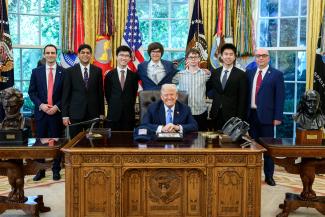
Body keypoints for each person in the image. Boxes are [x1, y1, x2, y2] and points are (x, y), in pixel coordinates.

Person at [247, 48, 285, 186]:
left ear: (268, 58)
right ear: (255, 58)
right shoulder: (249, 73)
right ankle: (252, 175)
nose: (260, 58)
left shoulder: (276, 74)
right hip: (250, 116)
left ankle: (269, 176)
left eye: (263, 56)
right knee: (251, 148)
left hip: (268, 118)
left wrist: (278, 117)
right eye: (258, 56)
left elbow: (280, 97)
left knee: (268, 149)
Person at [28, 44, 64, 181]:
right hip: (41, 113)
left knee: (56, 143)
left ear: (56, 55)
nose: (50, 55)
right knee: (40, 143)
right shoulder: (36, 72)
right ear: (44, 55)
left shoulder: (63, 72)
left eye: (53, 53)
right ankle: (41, 170)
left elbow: (65, 94)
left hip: (57, 113)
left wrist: (57, 106)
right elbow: (32, 92)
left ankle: (56, 170)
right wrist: (41, 105)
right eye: (47, 53)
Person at [62, 44, 104, 138]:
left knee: (93, 141)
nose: (85, 55)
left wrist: (101, 113)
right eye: (83, 52)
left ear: (91, 55)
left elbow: (100, 93)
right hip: (75, 114)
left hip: (93, 114)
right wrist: (65, 115)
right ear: (78, 55)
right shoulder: (69, 71)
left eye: (88, 53)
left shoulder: (97, 71)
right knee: (75, 142)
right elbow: (66, 94)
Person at [207, 43, 247, 130]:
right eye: (226, 54)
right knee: (215, 141)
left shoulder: (241, 75)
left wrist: (239, 119)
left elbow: (242, 99)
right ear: (221, 56)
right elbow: (207, 88)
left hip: (233, 117)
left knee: (230, 142)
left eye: (231, 54)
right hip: (216, 114)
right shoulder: (215, 73)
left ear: (235, 56)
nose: (228, 57)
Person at [173, 48, 210, 130]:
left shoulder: (206, 74)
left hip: (200, 111)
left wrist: (209, 72)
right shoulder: (179, 74)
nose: (193, 59)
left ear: (199, 59)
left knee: (201, 138)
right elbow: (169, 81)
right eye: (191, 57)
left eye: (196, 57)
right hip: (184, 112)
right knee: (185, 137)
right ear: (186, 60)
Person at [104, 45, 139, 130]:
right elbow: (108, 94)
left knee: (128, 140)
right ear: (116, 57)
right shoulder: (109, 75)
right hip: (113, 114)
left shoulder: (134, 76)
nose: (124, 58)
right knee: (112, 140)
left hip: (129, 114)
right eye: (121, 55)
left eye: (127, 56)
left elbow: (134, 94)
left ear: (130, 58)